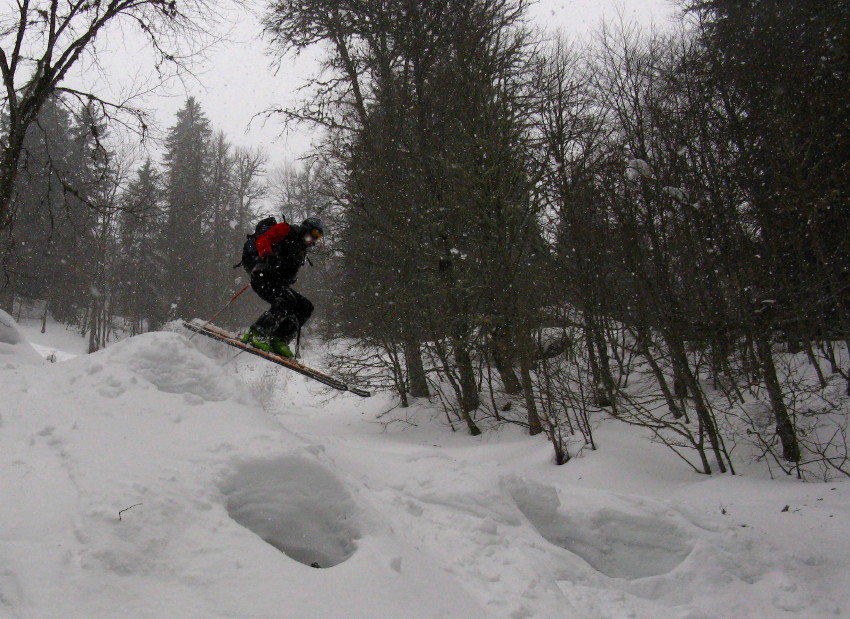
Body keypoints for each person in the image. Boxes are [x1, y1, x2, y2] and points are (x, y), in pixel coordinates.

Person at [240, 216, 324, 357]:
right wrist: (267, 254)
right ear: (306, 228)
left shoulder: (301, 250)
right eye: (314, 234)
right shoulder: (287, 229)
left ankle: (279, 339)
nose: (315, 239)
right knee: (287, 300)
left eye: (319, 237)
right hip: (263, 274)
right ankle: (257, 333)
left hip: (276, 280)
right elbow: (264, 238)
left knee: (305, 307)